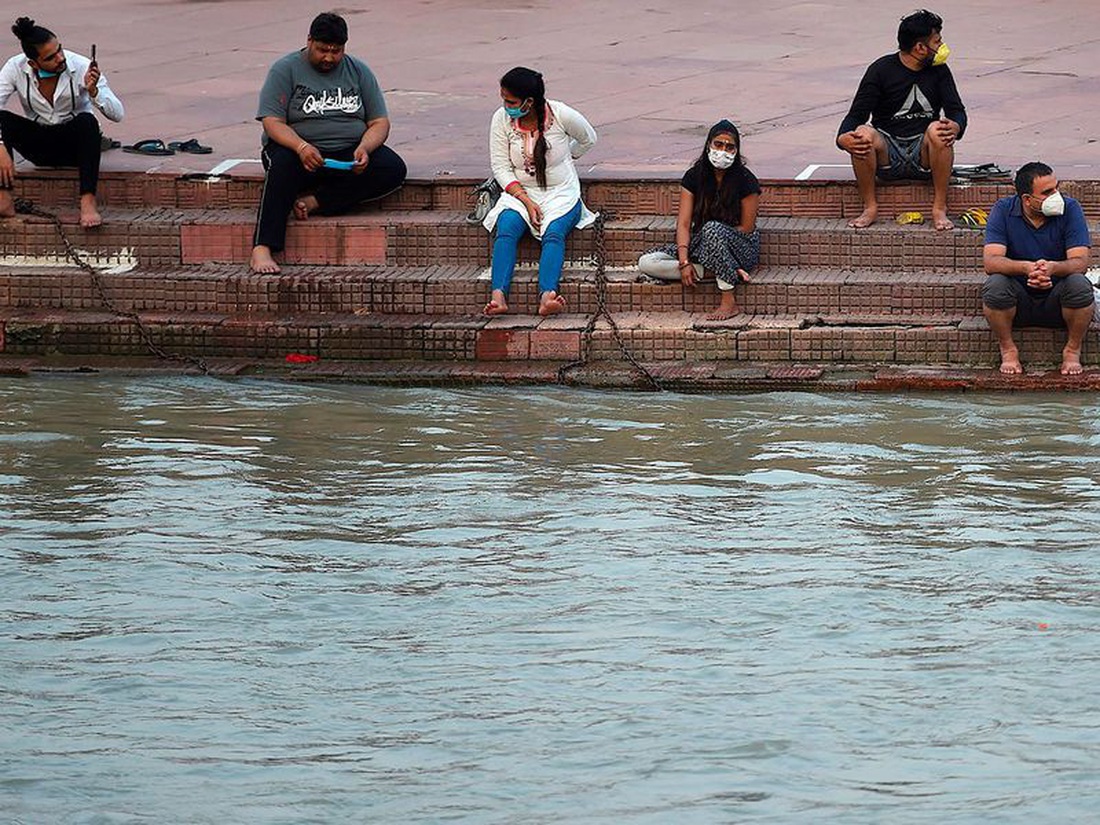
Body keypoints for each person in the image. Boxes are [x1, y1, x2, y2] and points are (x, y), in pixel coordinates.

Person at [249, 12, 407, 274]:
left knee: (391, 167)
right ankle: (262, 246)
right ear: (309, 41)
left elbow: (379, 122)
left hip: (345, 152)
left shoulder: (358, 70)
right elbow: (272, 122)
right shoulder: (285, 69)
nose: (329, 58)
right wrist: (300, 147)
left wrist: (365, 148)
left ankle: (316, 202)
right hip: (296, 150)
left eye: (336, 51)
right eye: (323, 50)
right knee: (282, 166)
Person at [836, 9, 966, 231]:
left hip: (924, 152)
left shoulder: (940, 71)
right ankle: (870, 207)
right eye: (937, 41)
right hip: (888, 150)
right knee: (862, 134)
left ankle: (939, 207)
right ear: (920, 48)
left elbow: (957, 112)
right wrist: (842, 139)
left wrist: (955, 126)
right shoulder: (880, 70)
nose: (942, 47)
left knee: (938, 129)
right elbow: (856, 116)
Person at [482, 66, 597, 317]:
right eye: (503, 99)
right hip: (519, 194)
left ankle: (547, 295)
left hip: (561, 193)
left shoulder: (561, 114)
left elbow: (589, 138)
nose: (505, 105)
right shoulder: (500, 119)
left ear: (529, 102)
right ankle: (498, 296)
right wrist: (525, 200)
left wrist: (569, 157)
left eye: (510, 101)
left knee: (554, 233)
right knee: (507, 229)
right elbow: (500, 167)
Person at [0, 17, 124, 228]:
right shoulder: (15, 67)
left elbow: (118, 114)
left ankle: (87, 201)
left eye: (60, 50)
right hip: (39, 145)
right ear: (33, 63)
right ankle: (4, 199)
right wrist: (0, 146)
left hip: (75, 147)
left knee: (87, 122)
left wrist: (93, 91)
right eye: (51, 57)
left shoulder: (81, 66)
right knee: (2, 120)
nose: (60, 58)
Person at [638, 120, 760, 321]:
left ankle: (728, 301)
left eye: (730, 147)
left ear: (737, 151)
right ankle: (722, 268)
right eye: (718, 145)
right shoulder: (694, 176)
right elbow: (684, 223)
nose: (723, 151)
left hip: (741, 246)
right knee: (647, 262)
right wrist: (684, 261)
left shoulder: (746, 180)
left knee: (712, 229)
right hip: (701, 244)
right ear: (708, 145)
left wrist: (716, 244)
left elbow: (746, 228)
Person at [981, 162, 1093, 376]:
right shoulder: (1003, 210)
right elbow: (991, 261)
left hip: (1059, 299)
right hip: (1017, 299)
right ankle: (1008, 350)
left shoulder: (1071, 208)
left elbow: (1080, 262)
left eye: (1056, 188)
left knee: (1080, 285)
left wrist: (1053, 268)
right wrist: (1026, 268)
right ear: (1027, 199)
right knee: (995, 286)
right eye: (1047, 192)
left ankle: (1072, 350)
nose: (1056, 195)